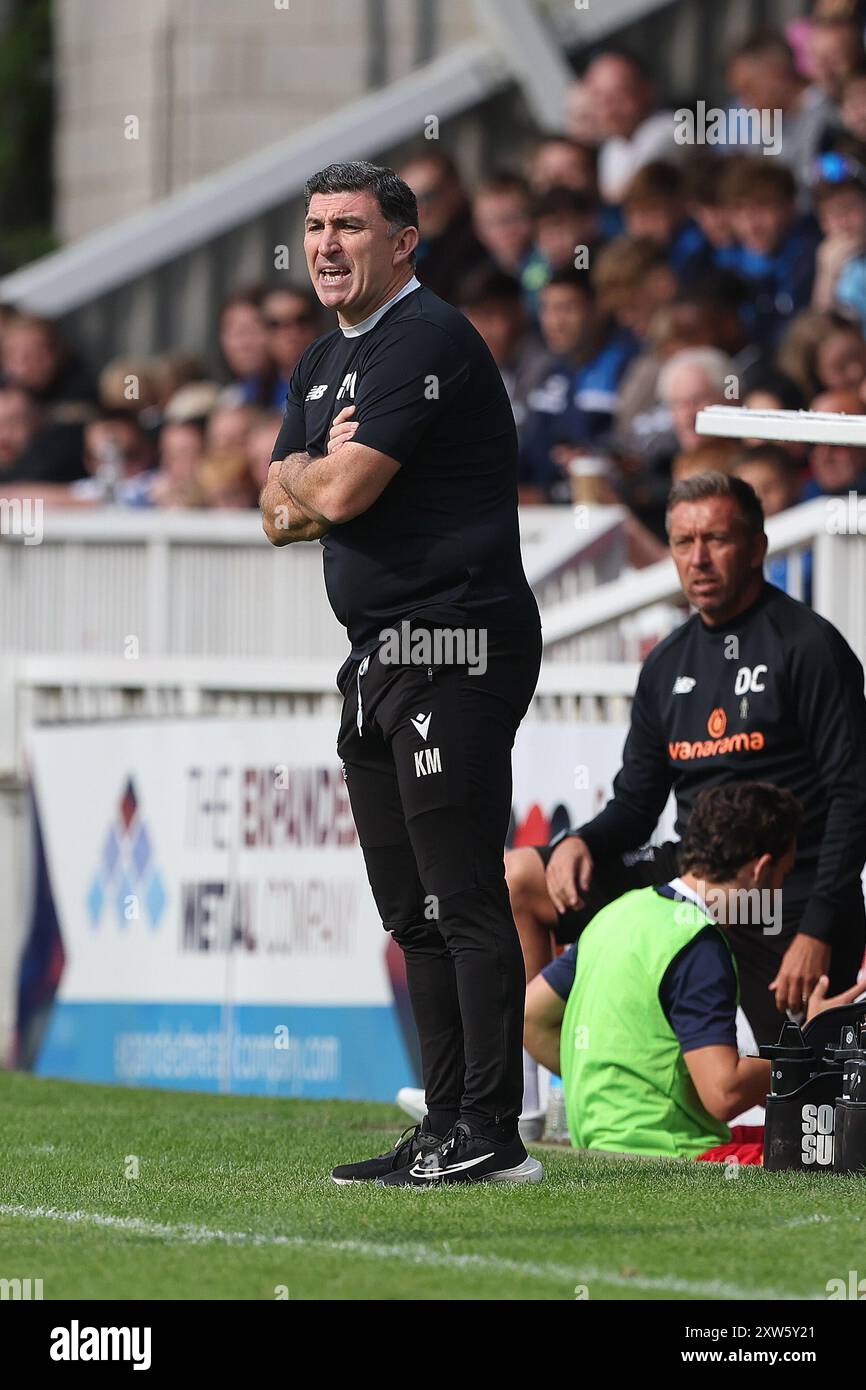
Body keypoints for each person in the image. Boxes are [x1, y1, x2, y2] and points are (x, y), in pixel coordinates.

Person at [260, 160, 543, 1186]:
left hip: (453, 640)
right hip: (376, 651)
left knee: (462, 894)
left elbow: (333, 493)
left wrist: (308, 476)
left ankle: (492, 1133)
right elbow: (276, 512)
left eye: (348, 227)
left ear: (402, 242)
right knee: (411, 909)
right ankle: (443, 1123)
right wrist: (303, 477)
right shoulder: (316, 363)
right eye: (315, 227)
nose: (326, 246)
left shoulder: (424, 338)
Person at [506, 471, 866, 1065]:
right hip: (690, 880)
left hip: (784, 889)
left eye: (717, 539)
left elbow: (854, 799)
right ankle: (523, 1107)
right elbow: (636, 803)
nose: (698, 559)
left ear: (756, 548)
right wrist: (582, 841)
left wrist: (818, 931)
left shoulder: (808, 647)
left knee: (798, 1093)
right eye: (683, 542)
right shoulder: (666, 663)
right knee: (522, 875)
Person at [526, 782, 864, 1161]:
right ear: (761, 868)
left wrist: (623, 1083)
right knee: (831, 1149)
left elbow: (531, 1019)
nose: (779, 893)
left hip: (603, 1145)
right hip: (676, 1152)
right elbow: (725, 1093)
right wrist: (807, 1043)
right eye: (782, 877)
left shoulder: (617, 914)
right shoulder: (697, 941)